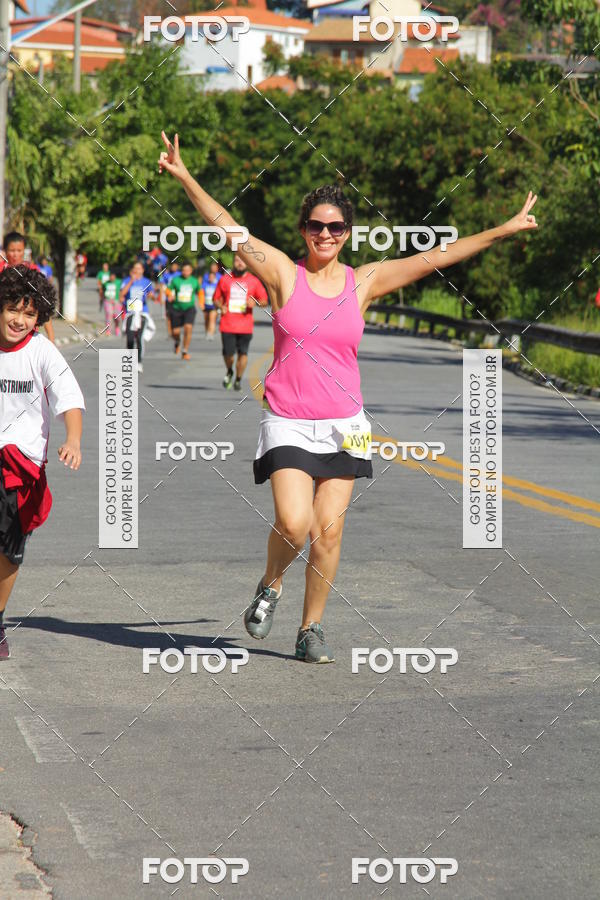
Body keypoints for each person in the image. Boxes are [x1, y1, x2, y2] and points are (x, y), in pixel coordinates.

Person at [159, 131, 538, 663]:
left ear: (347, 234)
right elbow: (228, 227)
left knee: (328, 534)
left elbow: (439, 257)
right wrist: (184, 176)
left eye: (335, 227)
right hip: (288, 420)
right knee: (294, 524)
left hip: (347, 424)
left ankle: (310, 629)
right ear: (304, 230)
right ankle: (271, 584)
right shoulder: (282, 275)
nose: (325, 234)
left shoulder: (364, 281)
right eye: (316, 225)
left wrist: (503, 229)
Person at [0, 265, 84, 660]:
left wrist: (73, 439)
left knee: (9, 550)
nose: (19, 319)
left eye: (30, 313)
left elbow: (69, 398)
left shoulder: (42, 351)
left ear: (40, 317)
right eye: (13, 309)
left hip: (24, 463)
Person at [214, 254, 268, 390]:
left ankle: (238, 379)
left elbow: (264, 301)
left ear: (247, 264)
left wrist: (254, 302)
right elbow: (216, 299)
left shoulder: (254, 281)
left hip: (245, 325)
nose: (240, 263)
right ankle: (229, 370)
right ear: (233, 262)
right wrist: (221, 307)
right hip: (227, 324)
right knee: (229, 354)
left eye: (243, 261)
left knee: (243, 354)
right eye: (237, 260)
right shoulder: (225, 279)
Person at [0, 233, 55, 344]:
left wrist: (51, 338)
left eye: (19, 250)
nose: (15, 254)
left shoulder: (33, 273)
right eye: (12, 250)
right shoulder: (1, 271)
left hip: (27, 336)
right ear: (5, 250)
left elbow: (43, 304)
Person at [119, 261, 157, 373]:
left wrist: (151, 296)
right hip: (130, 312)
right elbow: (121, 295)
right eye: (135, 268)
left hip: (142, 312)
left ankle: (139, 362)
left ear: (143, 270)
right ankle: (130, 359)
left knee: (139, 337)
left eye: (139, 268)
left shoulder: (146, 282)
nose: (137, 270)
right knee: (130, 338)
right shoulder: (126, 281)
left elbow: (152, 295)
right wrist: (131, 281)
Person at [166, 261, 200, 360]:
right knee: (175, 332)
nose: (186, 272)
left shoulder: (194, 281)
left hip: (189, 308)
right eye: (184, 270)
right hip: (176, 308)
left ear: (191, 271)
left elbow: (200, 291)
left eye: (188, 270)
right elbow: (168, 289)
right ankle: (177, 342)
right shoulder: (176, 280)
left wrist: (201, 303)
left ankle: (185, 350)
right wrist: (170, 294)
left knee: (188, 327)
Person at [201, 261, 221, 340]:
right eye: (212, 267)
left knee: (212, 319)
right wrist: (201, 303)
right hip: (206, 304)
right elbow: (201, 292)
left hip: (214, 304)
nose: (213, 269)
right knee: (206, 320)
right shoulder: (205, 280)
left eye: (214, 267)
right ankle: (207, 331)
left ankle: (211, 334)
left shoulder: (219, 278)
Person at [160, 261, 181, 337]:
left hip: (178, 299)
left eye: (175, 266)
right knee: (169, 316)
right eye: (172, 266)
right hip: (168, 298)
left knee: (177, 315)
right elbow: (162, 286)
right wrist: (161, 297)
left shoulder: (180, 275)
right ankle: (170, 332)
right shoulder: (166, 275)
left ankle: (176, 330)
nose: (174, 268)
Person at [102, 271, 122, 337]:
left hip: (116, 301)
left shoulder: (119, 282)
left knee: (117, 316)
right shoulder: (106, 283)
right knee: (109, 315)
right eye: (111, 277)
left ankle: (117, 328)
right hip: (108, 301)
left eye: (113, 277)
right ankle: (108, 330)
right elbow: (102, 291)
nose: (112, 278)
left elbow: (122, 289)